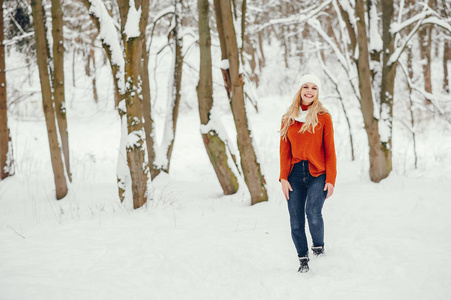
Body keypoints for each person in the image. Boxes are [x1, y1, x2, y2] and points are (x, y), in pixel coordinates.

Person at [279, 74, 337, 273]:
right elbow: (284, 152)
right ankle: (303, 259)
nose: (309, 91)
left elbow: (330, 151)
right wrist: (283, 178)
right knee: (295, 222)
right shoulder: (288, 118)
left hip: (317, 173)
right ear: (299, 90)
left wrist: (331, 179)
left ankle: (318, 248)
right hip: (294, 174)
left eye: (314, 88)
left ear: (318, 92)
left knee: (312, 212)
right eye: (306, 87)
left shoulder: (323, 118)